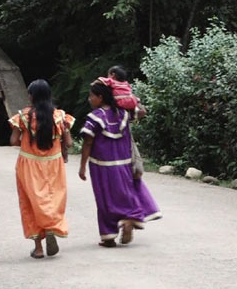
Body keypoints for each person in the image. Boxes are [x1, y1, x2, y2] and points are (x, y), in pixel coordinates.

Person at [78, 82, 162, 247]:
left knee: (105, 199)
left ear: (100, 97)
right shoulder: (123, 114)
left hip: (101, 166)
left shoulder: (95, 117)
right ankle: (127, 219)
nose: (90, 99)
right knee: (125, 195)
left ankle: (108, 237)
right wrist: (131, 98)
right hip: (124, 164)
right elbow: (143, 111)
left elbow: (88, 143)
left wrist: (82, 166)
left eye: (92, 96)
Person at [9, 80, 74, 258]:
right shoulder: (60, 116)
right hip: (54, 164)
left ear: (32, 96)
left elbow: (13, 141)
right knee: (53, 198)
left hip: (28, 164)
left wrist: (25, 135)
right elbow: (68, 142)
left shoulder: (23, 116)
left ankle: (38, 248)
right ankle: (52, 226)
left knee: (30, 202)